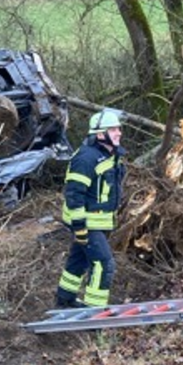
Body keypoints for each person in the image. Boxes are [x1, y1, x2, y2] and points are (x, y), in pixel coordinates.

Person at [55, 109, 126, 308]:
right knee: (104, 264)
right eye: (113, 129)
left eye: (119, 129)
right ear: (100, 134)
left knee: (79, 260)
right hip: (86, 222)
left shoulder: (111, 155)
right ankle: (95, 312)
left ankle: (64, 299)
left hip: (98, 222)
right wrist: (79, 227)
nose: (119, 133)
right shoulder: (85, 159)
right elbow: (74, 195)